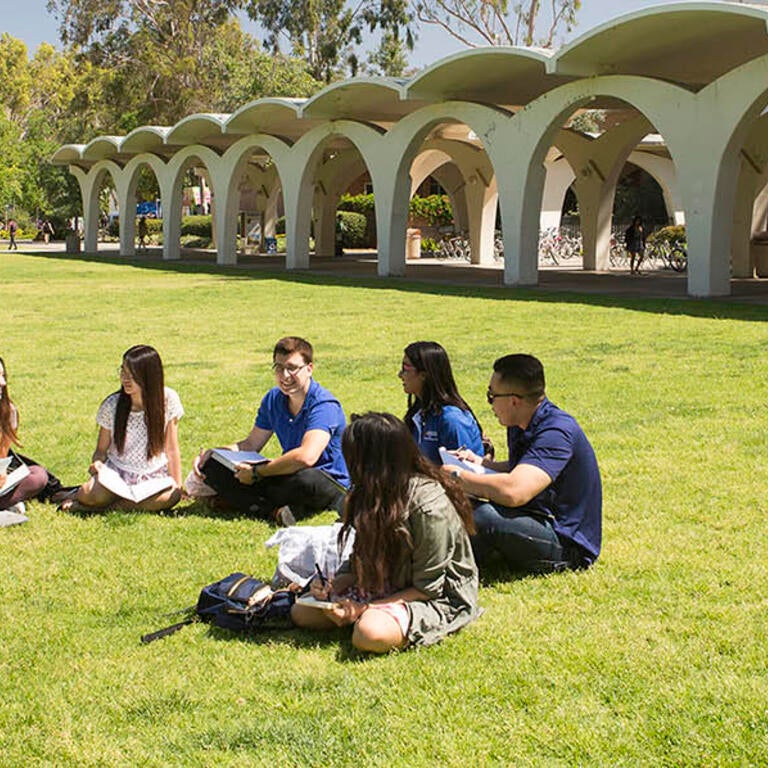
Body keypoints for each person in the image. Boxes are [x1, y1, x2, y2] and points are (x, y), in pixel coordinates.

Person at [291, 412, 479, 653]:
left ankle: (372, 618)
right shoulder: (366, 493)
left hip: (433, 596)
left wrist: (363, 609)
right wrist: (333, 586)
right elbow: (358, 558)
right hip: (384, 584)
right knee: (302, 612)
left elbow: (427, 588)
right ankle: (367, 616)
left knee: (369, 634)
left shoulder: (429, 506)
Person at [442, 354, 602, 575]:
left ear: (514, 400)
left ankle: (444, 568)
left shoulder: (556, 431)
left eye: (492, 396)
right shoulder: (520, 421)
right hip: (535, 518)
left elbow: (515, 491)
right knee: (461, 504)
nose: (490, 403)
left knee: (484, 516)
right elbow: (524, 467)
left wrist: (457, 476)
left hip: (565, 542)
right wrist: (478, 462)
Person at [195, 336, 349, 523]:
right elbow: (251, 444)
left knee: (305, 479)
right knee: (213, 466)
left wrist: (257, 472)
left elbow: (307, 457)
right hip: (288, 472)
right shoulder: (274, 398)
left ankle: (250, 503)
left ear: (309, 369)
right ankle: (276, 511)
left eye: (292, 368)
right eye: (278, 367)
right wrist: (216, 453)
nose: (284, 375)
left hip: (323, 478)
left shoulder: (324, 405)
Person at [58, 345, 183, 513]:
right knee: (89, 494)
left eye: (132, 375)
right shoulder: (113, 405)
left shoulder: (168, 399)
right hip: (117, 472)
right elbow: (101, 450)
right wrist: (97, 464)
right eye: (123, 372)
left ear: (148, 376)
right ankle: (91, 500)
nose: (125, 379)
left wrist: (177, 484)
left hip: (152, 475)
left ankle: (98, 510)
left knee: (172, 496)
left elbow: (171, 449)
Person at [399, 341, 484, 465]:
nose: (400, 375)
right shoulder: (418, 413)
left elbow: (464, 471)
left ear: (424, 375)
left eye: (405, 368)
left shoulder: (452, 419)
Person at [0, 357, 48, 519]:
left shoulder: (8, 411)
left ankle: (7, 501)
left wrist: (2, 474)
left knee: (38, 475)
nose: (2, 383)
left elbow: (2, 456)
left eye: (3, 376)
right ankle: (8, 503)